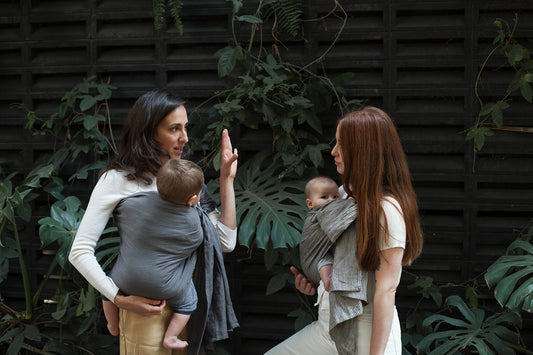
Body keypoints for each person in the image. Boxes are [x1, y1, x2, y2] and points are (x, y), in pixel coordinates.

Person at [68, 89, 239, 355]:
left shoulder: (186, 179)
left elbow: (225, 243)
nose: (185, 137)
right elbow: (79, 252)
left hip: (186, 308)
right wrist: (119, 299)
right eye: (174, 128)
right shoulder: (117, 179)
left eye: (185, 127)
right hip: (142, 307)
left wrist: (226, 181)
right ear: (149, 132)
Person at [266, 106, 424, 355]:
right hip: (329, 327)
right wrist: (319, 275)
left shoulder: (387, 209)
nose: (333, 152)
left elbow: (386, 290)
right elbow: (329, 253)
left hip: (367, 333)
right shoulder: (342, 196)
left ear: (363, 152)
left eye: (342, 145)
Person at [102, 159, 206, 350]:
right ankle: (171, 337)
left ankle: (112, 324)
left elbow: (121, 214)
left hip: (124, 281)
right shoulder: (193, 222)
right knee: (189, 302)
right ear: (192, 199)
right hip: (164, 288)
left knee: (106, 288)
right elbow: (195, 244)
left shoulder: (134, 203)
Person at [302, 176, 342, 291]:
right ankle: (327, 281)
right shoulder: (318, 215)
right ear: (310, 204)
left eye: (335, 196)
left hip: (324, 255)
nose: (331, 200)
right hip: (315, 259)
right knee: (325, 261)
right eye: (324, 197)